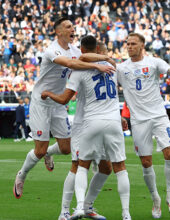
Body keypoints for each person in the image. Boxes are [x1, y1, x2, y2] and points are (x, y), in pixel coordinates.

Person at [13, 17, 115, 200]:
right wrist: (96, 65)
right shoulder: (51, 50)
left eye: (73, 26)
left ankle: (49, 155)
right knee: (40, 149)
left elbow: (84, 56)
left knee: (66, 148)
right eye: (68, 27)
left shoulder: (75, 50)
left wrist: (105, 57)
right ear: (58, 31)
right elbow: (71, 64)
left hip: (58, 103)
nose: (72, 29)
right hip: (41, 101)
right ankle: (22, 175)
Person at [41, 36, 131, 220]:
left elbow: (67, 94)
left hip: (95, 120)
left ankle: (87, 206)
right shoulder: (101, 66)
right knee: (78, 165)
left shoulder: (86, 67)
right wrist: (102, 60)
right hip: (84, 123)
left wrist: (48, 94)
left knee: (105, 168)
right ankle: (65, 211)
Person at [116, 33, 170, 218]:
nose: (129, 46)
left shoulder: (154, 62)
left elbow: (169, 70)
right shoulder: (121, 68)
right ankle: (155, 198)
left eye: (133, 44)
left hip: (159, 116)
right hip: (139, 121)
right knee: (146, 162)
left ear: (142, 45)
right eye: (128, 44)